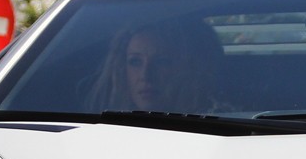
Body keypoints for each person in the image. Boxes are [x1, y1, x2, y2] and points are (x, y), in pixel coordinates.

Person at [88, 18, 224, 114]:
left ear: (190, 68)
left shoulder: (219, 120)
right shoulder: (101, 126)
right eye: (135, 62)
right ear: (121, 70)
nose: (145, 76)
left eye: (162, 62)